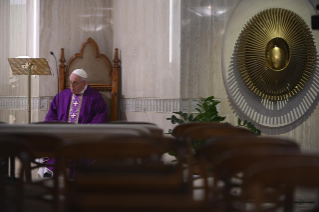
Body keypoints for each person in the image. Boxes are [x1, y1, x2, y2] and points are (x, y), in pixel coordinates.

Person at [38, 68, 108, 177]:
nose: (71, 86)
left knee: (80, 152)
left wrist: (83, 132)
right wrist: (57, 131)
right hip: (62, 137)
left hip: (83, 138)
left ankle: (76, 183)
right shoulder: (61, 96)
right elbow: (51, 118)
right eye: (70, 82)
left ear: (84, 84)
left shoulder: (95, 97)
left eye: (75, 83)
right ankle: (53, 180)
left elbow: (100, 118)